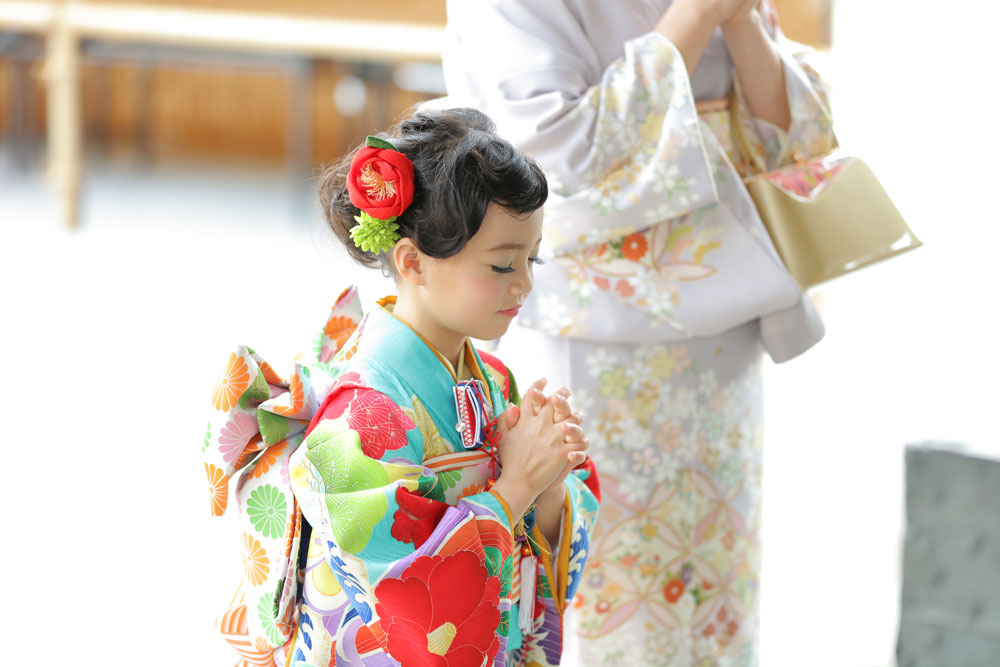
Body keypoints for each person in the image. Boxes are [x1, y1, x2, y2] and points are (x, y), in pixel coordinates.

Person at [437, 0, 836, 663]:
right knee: (597, 587)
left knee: (712, 584)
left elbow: (793, 143)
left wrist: (737, 22)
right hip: (588, 331)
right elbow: (555, 155)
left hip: (722, 327)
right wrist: (700, 14)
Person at [202, 107, 600, 666]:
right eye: (503, 266)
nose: (526, 284)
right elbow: (410, 616)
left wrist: (549, 480)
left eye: (531, 259)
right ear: (413, 262)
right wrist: (514, 488)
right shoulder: (360, 416)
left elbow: (542, 551)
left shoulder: (495, 381)